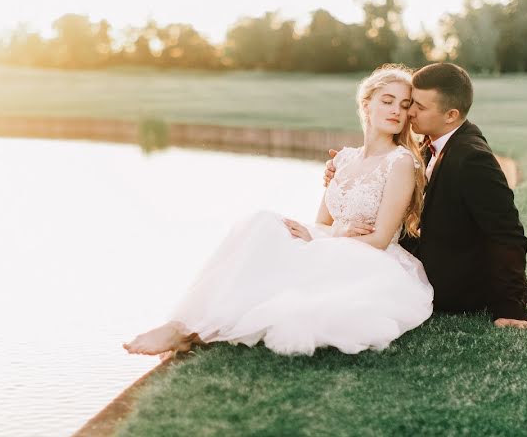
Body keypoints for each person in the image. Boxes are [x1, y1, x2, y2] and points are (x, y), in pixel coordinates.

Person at [124, 65, 433, 357]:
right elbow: (322, 222)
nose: (397, 111)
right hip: (331, 242)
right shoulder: (344, 159)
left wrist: (324, 241)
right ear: (366, 106)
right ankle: (182, 325)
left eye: (405, 105)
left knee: (289, 294)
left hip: (369, 259)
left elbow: (379, 240)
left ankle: (188, 332)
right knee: (262, 224)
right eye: (388, 101)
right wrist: (320, 236)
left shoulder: (400, 162)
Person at [324, 63, 527, 329]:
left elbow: (507, 233)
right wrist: (347, 173)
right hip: (410, 259)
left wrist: (511, 308)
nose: (409, 112)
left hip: (457, 288)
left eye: (418, 107)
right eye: (410, 103)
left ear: (450, 115)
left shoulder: (472, 158)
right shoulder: (428, 146)